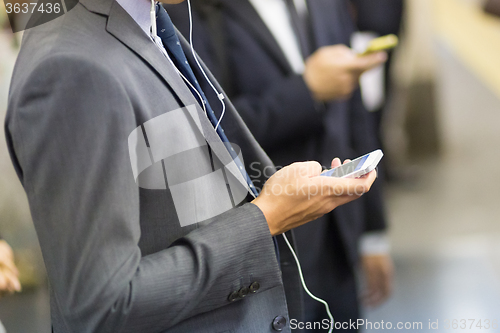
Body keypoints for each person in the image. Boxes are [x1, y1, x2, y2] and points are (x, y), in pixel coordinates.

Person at [4, 0, 378, 332]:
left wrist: (276, 197)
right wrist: (265, 219)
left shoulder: (145, 19)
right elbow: (103, 305)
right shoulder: (70, 67)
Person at [166, 0, 393, 330]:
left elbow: (355, 115)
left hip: (339, 238)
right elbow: (205, 131)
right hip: (265, 249)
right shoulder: (189, 13)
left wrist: (374, 234)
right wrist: (306, 91)